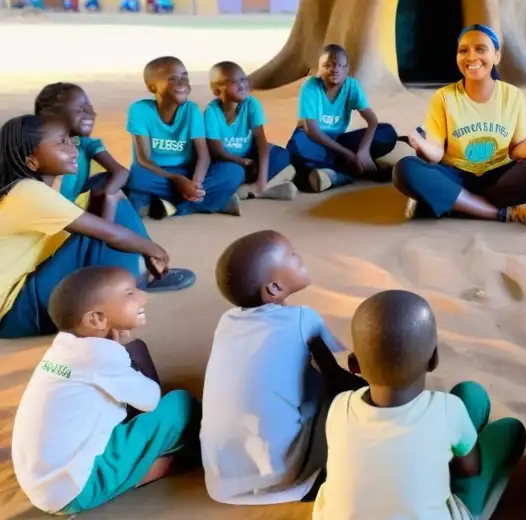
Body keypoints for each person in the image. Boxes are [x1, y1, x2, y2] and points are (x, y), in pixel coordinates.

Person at [312, 289, 526, 519]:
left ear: (354, 365)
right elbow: (470, 468)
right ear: (433, 359)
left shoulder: (339, 407)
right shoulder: (447, 409)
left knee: (469, 394)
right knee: (509, 430)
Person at [11, 267, 199, 514]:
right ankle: (153, 469)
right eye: (130, 294)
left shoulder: (66, 348)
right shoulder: (98, 358)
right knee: (179, 404)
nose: (143, 297)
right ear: (97, 319)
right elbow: (152, 399)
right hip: (77, 488)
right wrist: (130, 345)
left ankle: (144, 466)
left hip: (43, 483)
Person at [201, 231, 366, 505]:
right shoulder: (303, 319)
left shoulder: (226, 321)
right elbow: (338, 379)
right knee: (345, 400)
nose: (298, 255)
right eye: (291, 255)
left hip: (222, 479)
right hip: (283, 476)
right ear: (274, 289)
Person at [0, 115, 193, 339]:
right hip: (15, 313)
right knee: (110, 228)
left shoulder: (26, 190)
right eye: (61, 143)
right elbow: (111, 233)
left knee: (104, 190)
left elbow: (107, 197)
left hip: (27, 288)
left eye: (71, 141)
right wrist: (154, 249)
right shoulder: (29, 193)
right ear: (32, 160)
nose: (73, 149)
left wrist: (108, 199)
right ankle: (136, 280)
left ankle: (128, 282)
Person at [393, 25, 526, 226]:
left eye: (481, 49)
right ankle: (502, 213)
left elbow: (516, 152)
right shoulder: (444, 97)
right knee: (405, 169)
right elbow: (436, 154)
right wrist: (421, 144)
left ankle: (452, 203)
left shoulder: (512, 95)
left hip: (499, 178)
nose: (471, 57)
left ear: (496, 56)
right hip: (455, 176)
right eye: (463, 50)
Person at [125, 56, 246, 219]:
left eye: (185, 76)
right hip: (156, 173)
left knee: (233, 171)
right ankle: (214, 202)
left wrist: (194, 184)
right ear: (152, 87)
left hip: (188, 172)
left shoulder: (192, 110)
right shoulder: (140, 110)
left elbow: (203, 156)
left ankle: (173, 206)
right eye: (173, 79)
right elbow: (144, 160)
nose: (182, 83)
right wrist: (176, 179)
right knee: (136, 176)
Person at [286, 44, 397, 193]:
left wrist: (363, 150)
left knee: (387, 133)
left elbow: (372, 121)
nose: (335, 69)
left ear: (347, 69)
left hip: (337, 140)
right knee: (297, 148)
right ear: (320, 68)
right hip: (314, 140)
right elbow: (311, 130)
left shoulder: (351, 86)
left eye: (340, 66)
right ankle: (345, 173)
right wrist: (349, 154)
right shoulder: (310, 87)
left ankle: (330, 170)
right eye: (327, 66)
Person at [35, 82, 130, 222]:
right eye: (80, 109)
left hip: (75, 212)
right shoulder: (39, 148)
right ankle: (105, 236)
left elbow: (121, 171)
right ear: (51, 115)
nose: (90, 114)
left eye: (90, 108)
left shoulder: (85, 144)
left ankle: (106, 234)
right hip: (54, 218)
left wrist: (109, 194)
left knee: (110, 184)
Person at [205, 61, 297, 201]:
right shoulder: (211, 112)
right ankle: (257, 190)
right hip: (227, 160)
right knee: (230, 172)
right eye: (233, 82)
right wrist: (242, 162)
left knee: (281, 154)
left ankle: (255, 188)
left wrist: (262, 179)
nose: (241, 85)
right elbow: (218, 151)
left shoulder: (251, 104)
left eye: (243, 79)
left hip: (249, 159)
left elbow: (261, 141)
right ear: (217, 90)